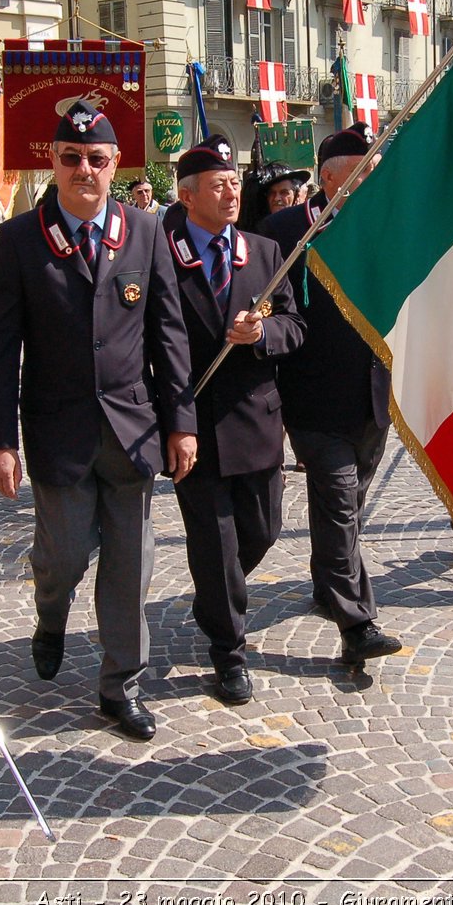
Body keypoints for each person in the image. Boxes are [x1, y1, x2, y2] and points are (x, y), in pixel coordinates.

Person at [0, 100, 197, 741]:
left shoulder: (145, 230)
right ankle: (51, 614)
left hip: (132, 428)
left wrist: (181, 420)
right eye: (71, 158)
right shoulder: (21, 239)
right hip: (57, 430)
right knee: (65, 554)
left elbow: (169, 333)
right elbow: (1, 349)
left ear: (114, 165)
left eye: (97, 159)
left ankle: (119, 684)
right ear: (52, 160)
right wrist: (0, 441)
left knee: (132, 562)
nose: (85, 170)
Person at [163, 135, 305, 703]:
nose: (231, 193)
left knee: (263, 530)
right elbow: (155, 341)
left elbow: (294, 326)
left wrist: (263, 334)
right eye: (218, 184)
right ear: (188, 194)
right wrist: (173, 419)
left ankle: (213, 596)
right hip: (196, 423)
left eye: (234, 182)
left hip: (257, 422)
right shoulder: (163, 255)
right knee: (216, 544)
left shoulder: (262, 251)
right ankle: (229, 651)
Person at [263, 123, 404, 664]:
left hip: (373, 397)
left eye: (374, 168)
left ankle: (328, 584)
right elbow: (269, 308)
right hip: (313, 397)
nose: (372, 177)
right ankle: (357, 625)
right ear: (328, 177)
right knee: (341, 502)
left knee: (345, 505)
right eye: (362, 169)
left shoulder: (386, 224)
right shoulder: (284, 229)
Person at [239, 162, 310, 235]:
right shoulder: (260, 232)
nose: (277, 198)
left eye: (284, 192)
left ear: (295, 195)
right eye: (272, 193)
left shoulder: (304, 227)